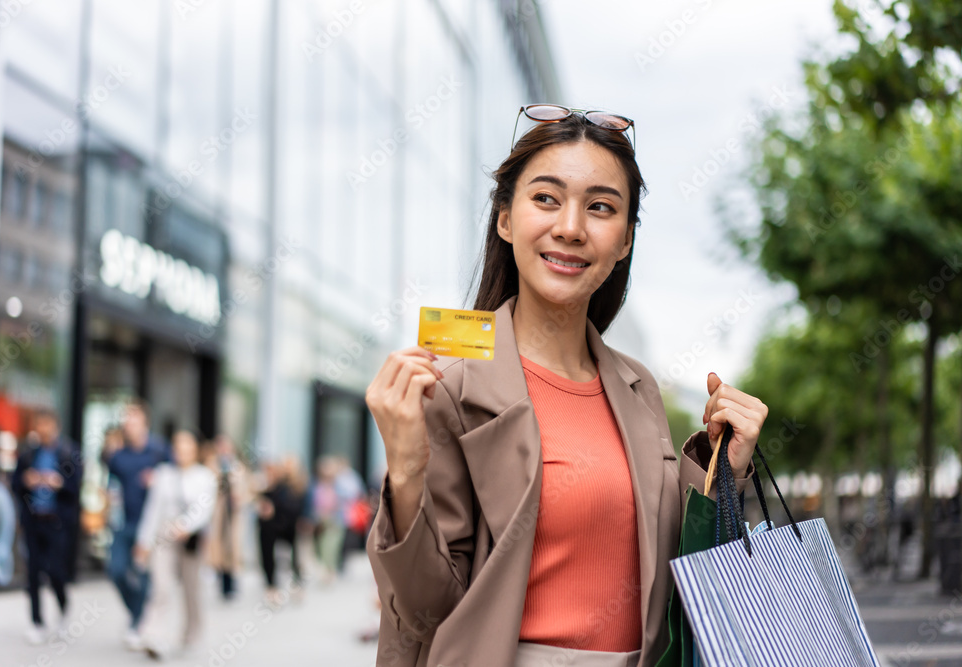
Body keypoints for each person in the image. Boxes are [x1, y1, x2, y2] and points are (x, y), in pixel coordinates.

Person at [364, 105, 770, 667]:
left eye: (600, 207)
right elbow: (426, 611)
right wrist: (405, 470)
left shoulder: (637, 386)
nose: (571, 227)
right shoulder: (451, 387)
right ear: (505, 219)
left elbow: (672, 569)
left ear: (625, 239)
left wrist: (723, 460)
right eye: (546, 199)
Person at [133, 429, 217, 659]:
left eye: (187, 446)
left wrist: (186, 526)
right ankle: (153, 635)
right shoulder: (163, 474)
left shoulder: (205, 476)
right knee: (161, 587)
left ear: (195, 450)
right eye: (178, 446)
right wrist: (144, 541)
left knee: (192, 590)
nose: (182, 451)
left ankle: (191, 633)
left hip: (190, 538)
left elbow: (204, 509)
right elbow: (153, 510)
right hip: (164, 534)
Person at [11, 409, 83, 645]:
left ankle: (63, 610)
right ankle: (37, 622)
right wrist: (26, 480)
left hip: (58, 522)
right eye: (38, 426)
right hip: (33, 520)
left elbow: (77, 487)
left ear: (56, 427)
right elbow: (15, 483)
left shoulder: (69, 453)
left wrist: (59, 483)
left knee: (56, 571)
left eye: (46, 425)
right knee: (32, 572)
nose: (42, 430)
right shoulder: (28, 453)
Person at [102, 399, 169, 650]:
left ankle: (138, 622)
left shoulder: (159, 451)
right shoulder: (118, 455)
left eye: (134, 419)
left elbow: (174, 478)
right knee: (116, 570)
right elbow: (112, 483)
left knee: (143, 576)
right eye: (126, 420)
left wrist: (158, 479)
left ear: (145, 422)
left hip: (150, 526)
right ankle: (136, 614)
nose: (129, 424)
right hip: (124, 523)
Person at [204, 434, 251, 600]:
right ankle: (221, 585)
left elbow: (247, 490)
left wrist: (240, 498)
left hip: (234, 514)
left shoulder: (238, 467)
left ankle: (232, 586)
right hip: (219, 513)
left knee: (233, 549)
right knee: (218, 549)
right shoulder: (212, 465)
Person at [257, 457, 309, 605]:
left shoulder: (296, 485)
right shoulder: (268, 485)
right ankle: (272, 587)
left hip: (289, 526)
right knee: (269, 557)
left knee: (294, 557)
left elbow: (297, 505)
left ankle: (296, 584)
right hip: (269, 527)